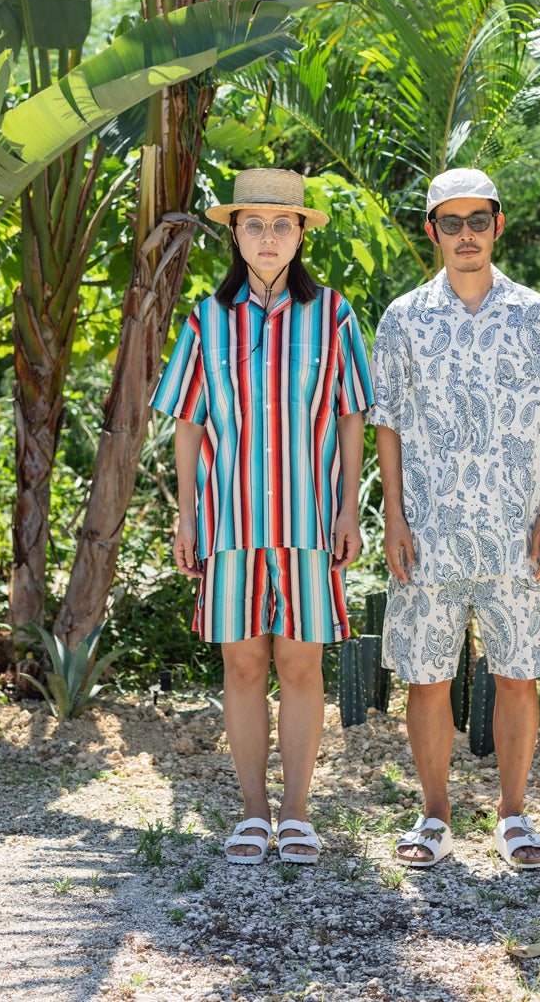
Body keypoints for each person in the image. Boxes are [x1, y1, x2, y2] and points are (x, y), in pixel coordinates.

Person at [368, 167, 540, 868]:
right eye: (451, 223)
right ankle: (433, 816)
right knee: (427, 678)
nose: (466, 236)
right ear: (432, 231)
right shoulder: (403, 318)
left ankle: (514, 815)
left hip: (515, 531)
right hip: (428, 531)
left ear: (498, 226)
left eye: (478, 221)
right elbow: (388, 425)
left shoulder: (536, 315)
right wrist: (394, 518)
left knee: (517, 674)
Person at [152, 168, 374, 865]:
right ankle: (253, 814)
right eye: (255, 224)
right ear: (236, 234)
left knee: (301, 666)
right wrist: (186, 516)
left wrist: (348, 508)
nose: (269, 237)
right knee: (244, 665)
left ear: (302, 233)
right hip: (229, 522)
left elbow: (351, 415)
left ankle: (299, 814)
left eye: (283, 225)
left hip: (310, 523)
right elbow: (188, 422)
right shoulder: (206, 319)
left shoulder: (333, 313)